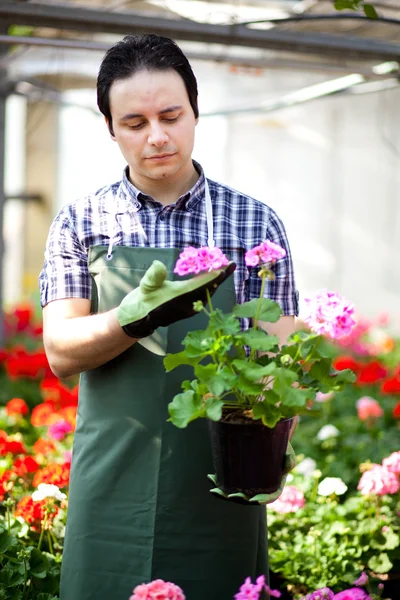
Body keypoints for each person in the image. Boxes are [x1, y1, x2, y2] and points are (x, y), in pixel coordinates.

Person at [39, 34, 299, 600]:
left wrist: (272, 447)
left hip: (222, 478)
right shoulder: (82, 222)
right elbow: (60, 352)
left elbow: (283, 358)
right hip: (112, 481)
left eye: (171, 116)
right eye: (134, 122)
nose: (156, 136)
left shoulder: (254, 225)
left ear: (196, 113)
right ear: (110, 127)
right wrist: (132, 318)